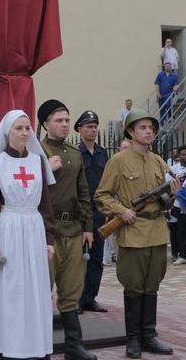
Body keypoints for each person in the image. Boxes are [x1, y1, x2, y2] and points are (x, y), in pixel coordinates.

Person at [95, 109, 180, 358]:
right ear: (131, 132)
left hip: (156, 230)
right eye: (143, 127)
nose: (149, 132)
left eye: (151, 128)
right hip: (132, 231)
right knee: (134, 286)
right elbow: (102, 195)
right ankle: (133, 339)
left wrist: (173, 192)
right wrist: (121, 211)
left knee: (152, 285)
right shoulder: (118, 161)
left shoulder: (158, 161)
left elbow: (168, 199)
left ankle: (149, 336)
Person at [0, 109, 56, 359]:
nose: (24, 133)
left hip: (34, 229)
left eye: (27, 128)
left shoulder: (37, 161)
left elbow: (46, 205)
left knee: (35, 288)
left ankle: (35, 346)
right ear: (7, 132)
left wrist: (49, 239)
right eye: (19, 128)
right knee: (11, 290)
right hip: (9, 228)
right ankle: (9, 346)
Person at [37, 99, 96, 360]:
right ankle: (42, 347)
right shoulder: (36, 153)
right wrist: (45, 171)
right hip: (46, 231)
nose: (64, 124)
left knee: (71, 292)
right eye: (58, 120)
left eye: (66, 120)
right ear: (45, 124)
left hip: (73, 229)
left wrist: (88, 227)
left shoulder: (74, 153)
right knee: (42, 291)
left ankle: (74, 346)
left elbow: (84, 192)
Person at [75, 110, 109, 314]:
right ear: (80, 129)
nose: (93, 130)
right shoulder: (75, 152)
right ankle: (77, 299)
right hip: (81, 211)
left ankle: (90, 297)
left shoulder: (102, 152)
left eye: (95, 126)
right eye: (89, 127)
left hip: (99, 211)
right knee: (80, 257)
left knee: (96, 257)